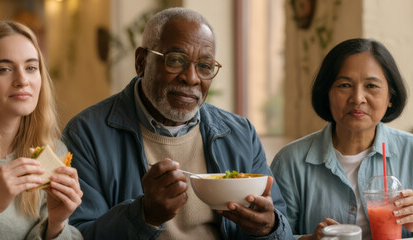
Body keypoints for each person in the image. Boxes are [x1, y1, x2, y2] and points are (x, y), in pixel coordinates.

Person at [62, 7, 293, 240]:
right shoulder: (86, 134)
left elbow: (281, 225)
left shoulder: (240, 134)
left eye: (204, 66)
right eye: (175, 60)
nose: (191, 78)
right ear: (141, 62)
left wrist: (269, 228)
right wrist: (144, 216)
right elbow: (76, 235)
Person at [270, 38, 413, 239]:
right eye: (345, 85)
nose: (357, 98)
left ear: (390, 96)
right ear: (327, 94)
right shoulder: (290, 161)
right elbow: (273, 235)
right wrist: (310, 239)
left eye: (371, 86)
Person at [0, 20, 83, 239]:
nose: (22, 80)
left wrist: (56, 224)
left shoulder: (53, 153)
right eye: (4, 69)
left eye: (30, 68)